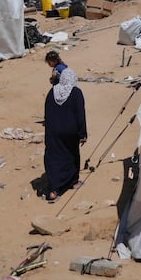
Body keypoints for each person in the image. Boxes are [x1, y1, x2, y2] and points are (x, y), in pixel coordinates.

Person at [42, 50, 87, 202]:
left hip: (54, 133)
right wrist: (82, 134)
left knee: (54, 158)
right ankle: (73, 182)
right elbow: (80, 114)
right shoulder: (76, 93)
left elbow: (47, 116)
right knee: (72, 156)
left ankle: (54, 190)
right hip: (71, 132)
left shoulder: (51, 93)